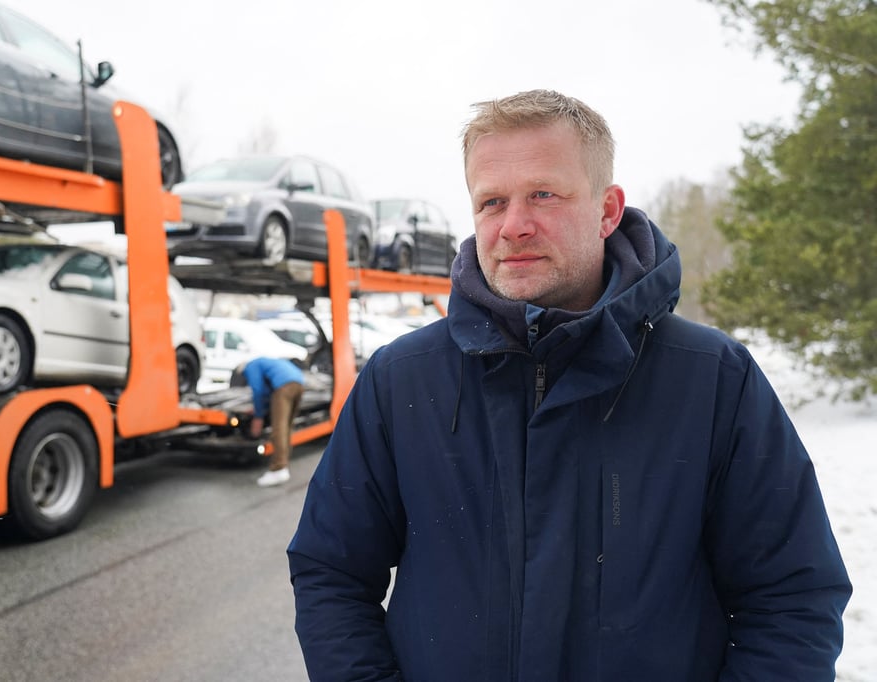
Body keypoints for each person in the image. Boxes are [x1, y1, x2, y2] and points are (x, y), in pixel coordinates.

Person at [287, 89, 851, 680]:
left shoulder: (713, 378)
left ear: (607, 211)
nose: (513, 226)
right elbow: (331, 572)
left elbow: (791, 599)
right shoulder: (400, 380)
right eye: (491, 202)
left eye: (543, 196)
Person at [239, 356, 305, 487]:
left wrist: (258, 416)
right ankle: (284, 463)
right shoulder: (266, 362)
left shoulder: (250, 367)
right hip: (299, 383)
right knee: (286, 428)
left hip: (283, 386)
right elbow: (266, 391)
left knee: (278, 428)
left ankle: (278, 468)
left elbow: (257, 390)